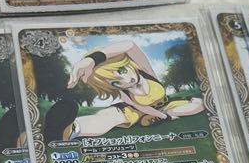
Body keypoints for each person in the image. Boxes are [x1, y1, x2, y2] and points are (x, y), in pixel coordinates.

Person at [43, 39, 204, 142]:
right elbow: (141, 107)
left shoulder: (147, 72)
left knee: (196, 105)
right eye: (116, 82)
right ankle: (69, 130)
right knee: (108, 118)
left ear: (129, 63)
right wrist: (163, 117)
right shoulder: (124, 93)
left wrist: (92, 59)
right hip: (134, 111)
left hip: (166, 106)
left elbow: (129, 45)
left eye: (122, 71)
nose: (126, 80)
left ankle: (158, 116)